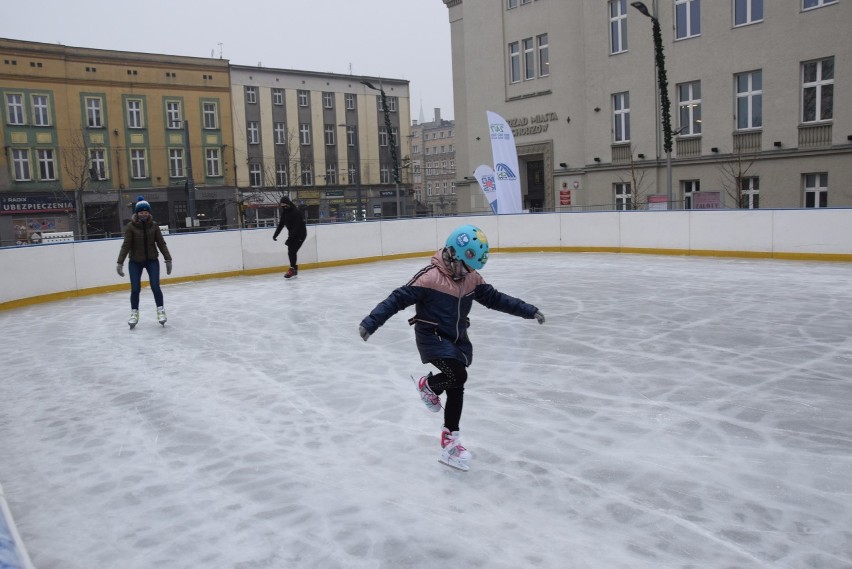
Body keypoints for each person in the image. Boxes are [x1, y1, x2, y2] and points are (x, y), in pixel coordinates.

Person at [358, 224, 545, 471]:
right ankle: (427, 386)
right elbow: (397, 299)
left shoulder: (471, 280)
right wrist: (372, 322)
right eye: (468, 266)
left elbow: (497, 299)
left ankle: (450, 443)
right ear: (454, 255)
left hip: (457, 339)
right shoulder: (429, 277)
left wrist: (529, 311)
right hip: (431, 336)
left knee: (457, 385)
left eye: (473, 268)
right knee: (457, 374)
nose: (470, 272)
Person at [116, 196, 173, 328]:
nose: (144, 214)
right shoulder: (131, 227)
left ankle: (161, 310)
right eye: (141, 212)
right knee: (135, 289)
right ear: (137, 213)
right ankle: (134, 313)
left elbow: (161, 244)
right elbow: (126, 245)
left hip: (152, 261)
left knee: (155, 286)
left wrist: (168, 259)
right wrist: (120, 262)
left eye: (146, 212)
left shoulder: (154, 226)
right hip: (135, 261)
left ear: (149, 213)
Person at [272, 195, 307, 279]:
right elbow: (281, 225)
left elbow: (296, 228)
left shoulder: (296, 212)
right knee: (290, 251)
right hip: (292, 233)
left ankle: (292, 270)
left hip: (300, 234)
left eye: (285, 205)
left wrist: (289, 239)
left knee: (292, 251)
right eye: (282, 206)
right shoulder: (284, 213)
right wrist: (275, 234)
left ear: (288, 204)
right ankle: (294, 269)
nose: (283, 207)